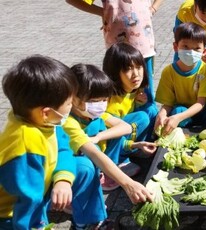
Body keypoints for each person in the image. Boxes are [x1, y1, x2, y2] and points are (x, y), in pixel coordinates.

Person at [0, 56, 103, 229]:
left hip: (39, 189)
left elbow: (63, 148)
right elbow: (28, 203)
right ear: (46, 112)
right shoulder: (26, 144)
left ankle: (85, 221)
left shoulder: (41, 120)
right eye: (69, 103)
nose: (72, 107)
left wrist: (63, 179)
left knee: (84, 166)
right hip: (12, 215)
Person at [64, 64, 156, 192]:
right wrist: (128, 184)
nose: (101, 105)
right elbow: (94, 153)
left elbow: (125, 128)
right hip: (79, 165)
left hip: (99, 153)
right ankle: (100, 177)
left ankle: (110, 170)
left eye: (104, 100)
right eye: (95, 101)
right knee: (91, 152)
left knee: (114, 133)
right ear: (74, 99)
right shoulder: (69, 123)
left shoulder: (96, 115)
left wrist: (136, 145)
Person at [65, 0, 163, 107]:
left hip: (144, 46)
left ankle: (146, 118)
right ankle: (119, 119)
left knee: (145, 93)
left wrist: (154, 8)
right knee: (117, 93)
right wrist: (102, 12)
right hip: (118, 49)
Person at [155, 22, 206, 136]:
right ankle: (185, 125)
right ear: (175, 47)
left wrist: (178, 118)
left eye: (196, 48)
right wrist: (162, 115)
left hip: (202, 110)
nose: (191, 52)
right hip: (182, 111)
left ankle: (199, 128)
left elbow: (201, 103)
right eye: (185, 46)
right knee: (176, 111)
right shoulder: (168, 72)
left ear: (204, 51)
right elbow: (168, 103)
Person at [102, 42, 158, 175]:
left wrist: (138, 104)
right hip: (109, 140)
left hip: (126, 134)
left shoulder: (134, 90)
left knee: (151, 110)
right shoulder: (107, 96)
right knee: (141, 117)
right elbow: (101, 121)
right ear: (115, 72)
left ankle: (141, 146)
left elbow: (128, 111)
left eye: (139, 67)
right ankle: (117, 161)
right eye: (128, 69)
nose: (136, 74)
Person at [174, 0, 206, 66]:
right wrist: (186, 50)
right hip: (186, 47)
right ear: (195, 5)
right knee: (179, 68)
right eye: (203, 12)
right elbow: (179, 37)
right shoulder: (184, 12)